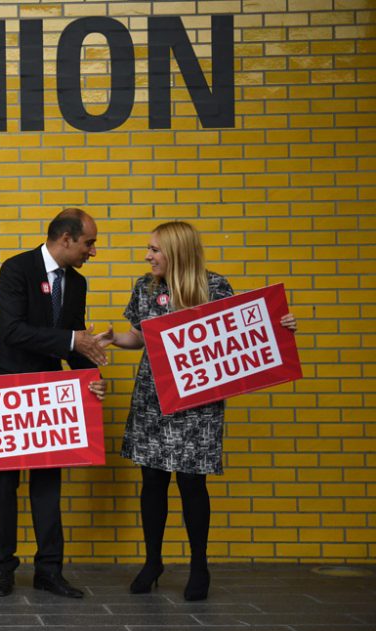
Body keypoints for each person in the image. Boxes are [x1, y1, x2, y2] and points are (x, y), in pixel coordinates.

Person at [98, 221, 297, 601]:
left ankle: (198, 565)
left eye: (155, 249)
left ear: (176, 250)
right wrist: (112, 338)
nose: (147, 256)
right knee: (153, 481)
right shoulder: (145, 287)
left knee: (192, 483)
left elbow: (241, 333)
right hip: (152, 397)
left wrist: (281, 326)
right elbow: (140, 337)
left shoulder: (216, 287)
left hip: (197, 402)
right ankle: (152, 561)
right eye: (149, 249)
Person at [0, 208, 107, 599]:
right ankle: (4, 570)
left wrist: (92, 378)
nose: (92, 252)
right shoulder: (16, 269)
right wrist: (74, 341)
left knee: (48, 487)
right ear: (65, 239)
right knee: (4, 485)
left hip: (51, 393)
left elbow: (74, 343)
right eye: (89, 244)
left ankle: (49, 571)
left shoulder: (78, 283)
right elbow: (14, 330)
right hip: (6, 386)